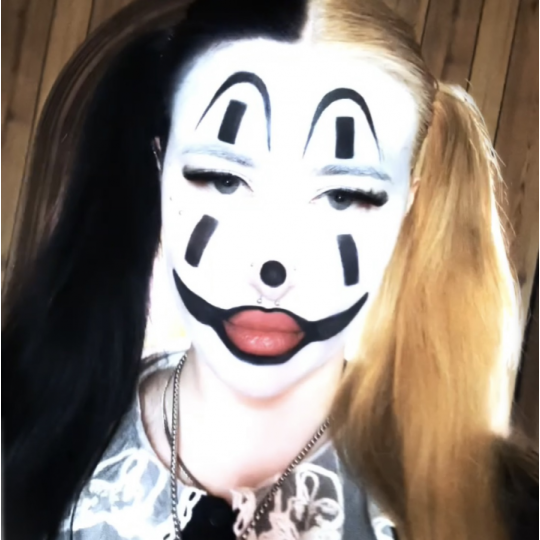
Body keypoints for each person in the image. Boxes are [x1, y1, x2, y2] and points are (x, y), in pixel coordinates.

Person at [3, 1, 537, 539]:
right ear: (160, 169)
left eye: (343, 195)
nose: (271, 268)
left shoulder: (506, 511)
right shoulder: (23, 429)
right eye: (223, 180)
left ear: (407, 207)